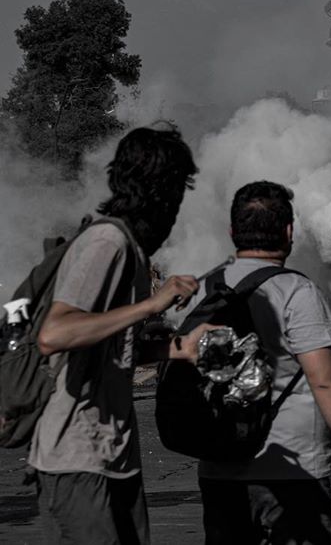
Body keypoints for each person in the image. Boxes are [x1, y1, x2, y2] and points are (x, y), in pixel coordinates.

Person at [31, 125, 207, 545]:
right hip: (76, 458)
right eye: (176, 196)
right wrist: (151, 304)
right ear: (159, 194)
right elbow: (55, 333)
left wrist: (182, 347)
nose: (176, 212)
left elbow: (113, 347)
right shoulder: (106, 243)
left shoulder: (130, 249)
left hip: (112, 455)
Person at [177, 181, 331, 544]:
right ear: (289, 232)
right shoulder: (296, 291)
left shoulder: (205, 289)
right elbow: (325, 379)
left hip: (219, 466)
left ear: (233, 231)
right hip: (291, 471)